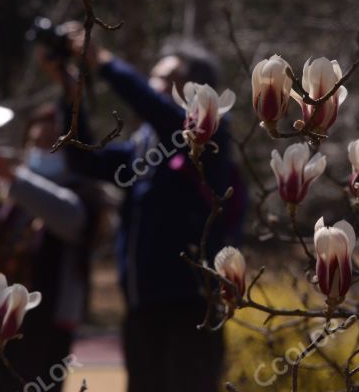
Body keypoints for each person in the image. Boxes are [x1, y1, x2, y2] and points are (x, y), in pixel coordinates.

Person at [50, 31, 246, 392]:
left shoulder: (211, 136)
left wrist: (105, 62)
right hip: (142, 305)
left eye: (168, 79)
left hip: (193, 306)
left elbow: (162, 114)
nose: (154, 84)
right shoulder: (144, 146)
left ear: (198, 90)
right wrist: (70, 95)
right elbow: (83, 160)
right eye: (154, 76)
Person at [0, 104, 102, 392]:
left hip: (47, 325)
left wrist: (13, 177)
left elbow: (70, 218)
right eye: (35, 141)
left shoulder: (81, 191)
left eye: (52, 142)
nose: (41, 149)